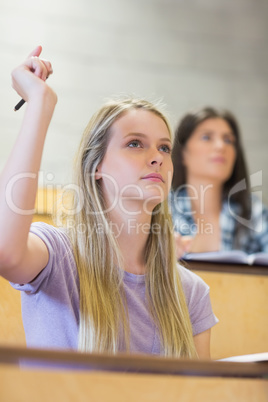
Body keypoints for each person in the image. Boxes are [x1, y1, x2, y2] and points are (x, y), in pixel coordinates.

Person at [0, 47, 218, 359]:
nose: (157, 157)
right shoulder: (58, 256)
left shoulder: (191, 292)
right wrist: (39, 104)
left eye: (165, 148)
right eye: (134, 143)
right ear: (97, 167)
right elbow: (5, 253)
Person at [170, 107, 268, 257]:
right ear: (183, 153)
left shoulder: (252, 211)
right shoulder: (161, 208)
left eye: (228, 140)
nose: (221, 146)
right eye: (206, 137)